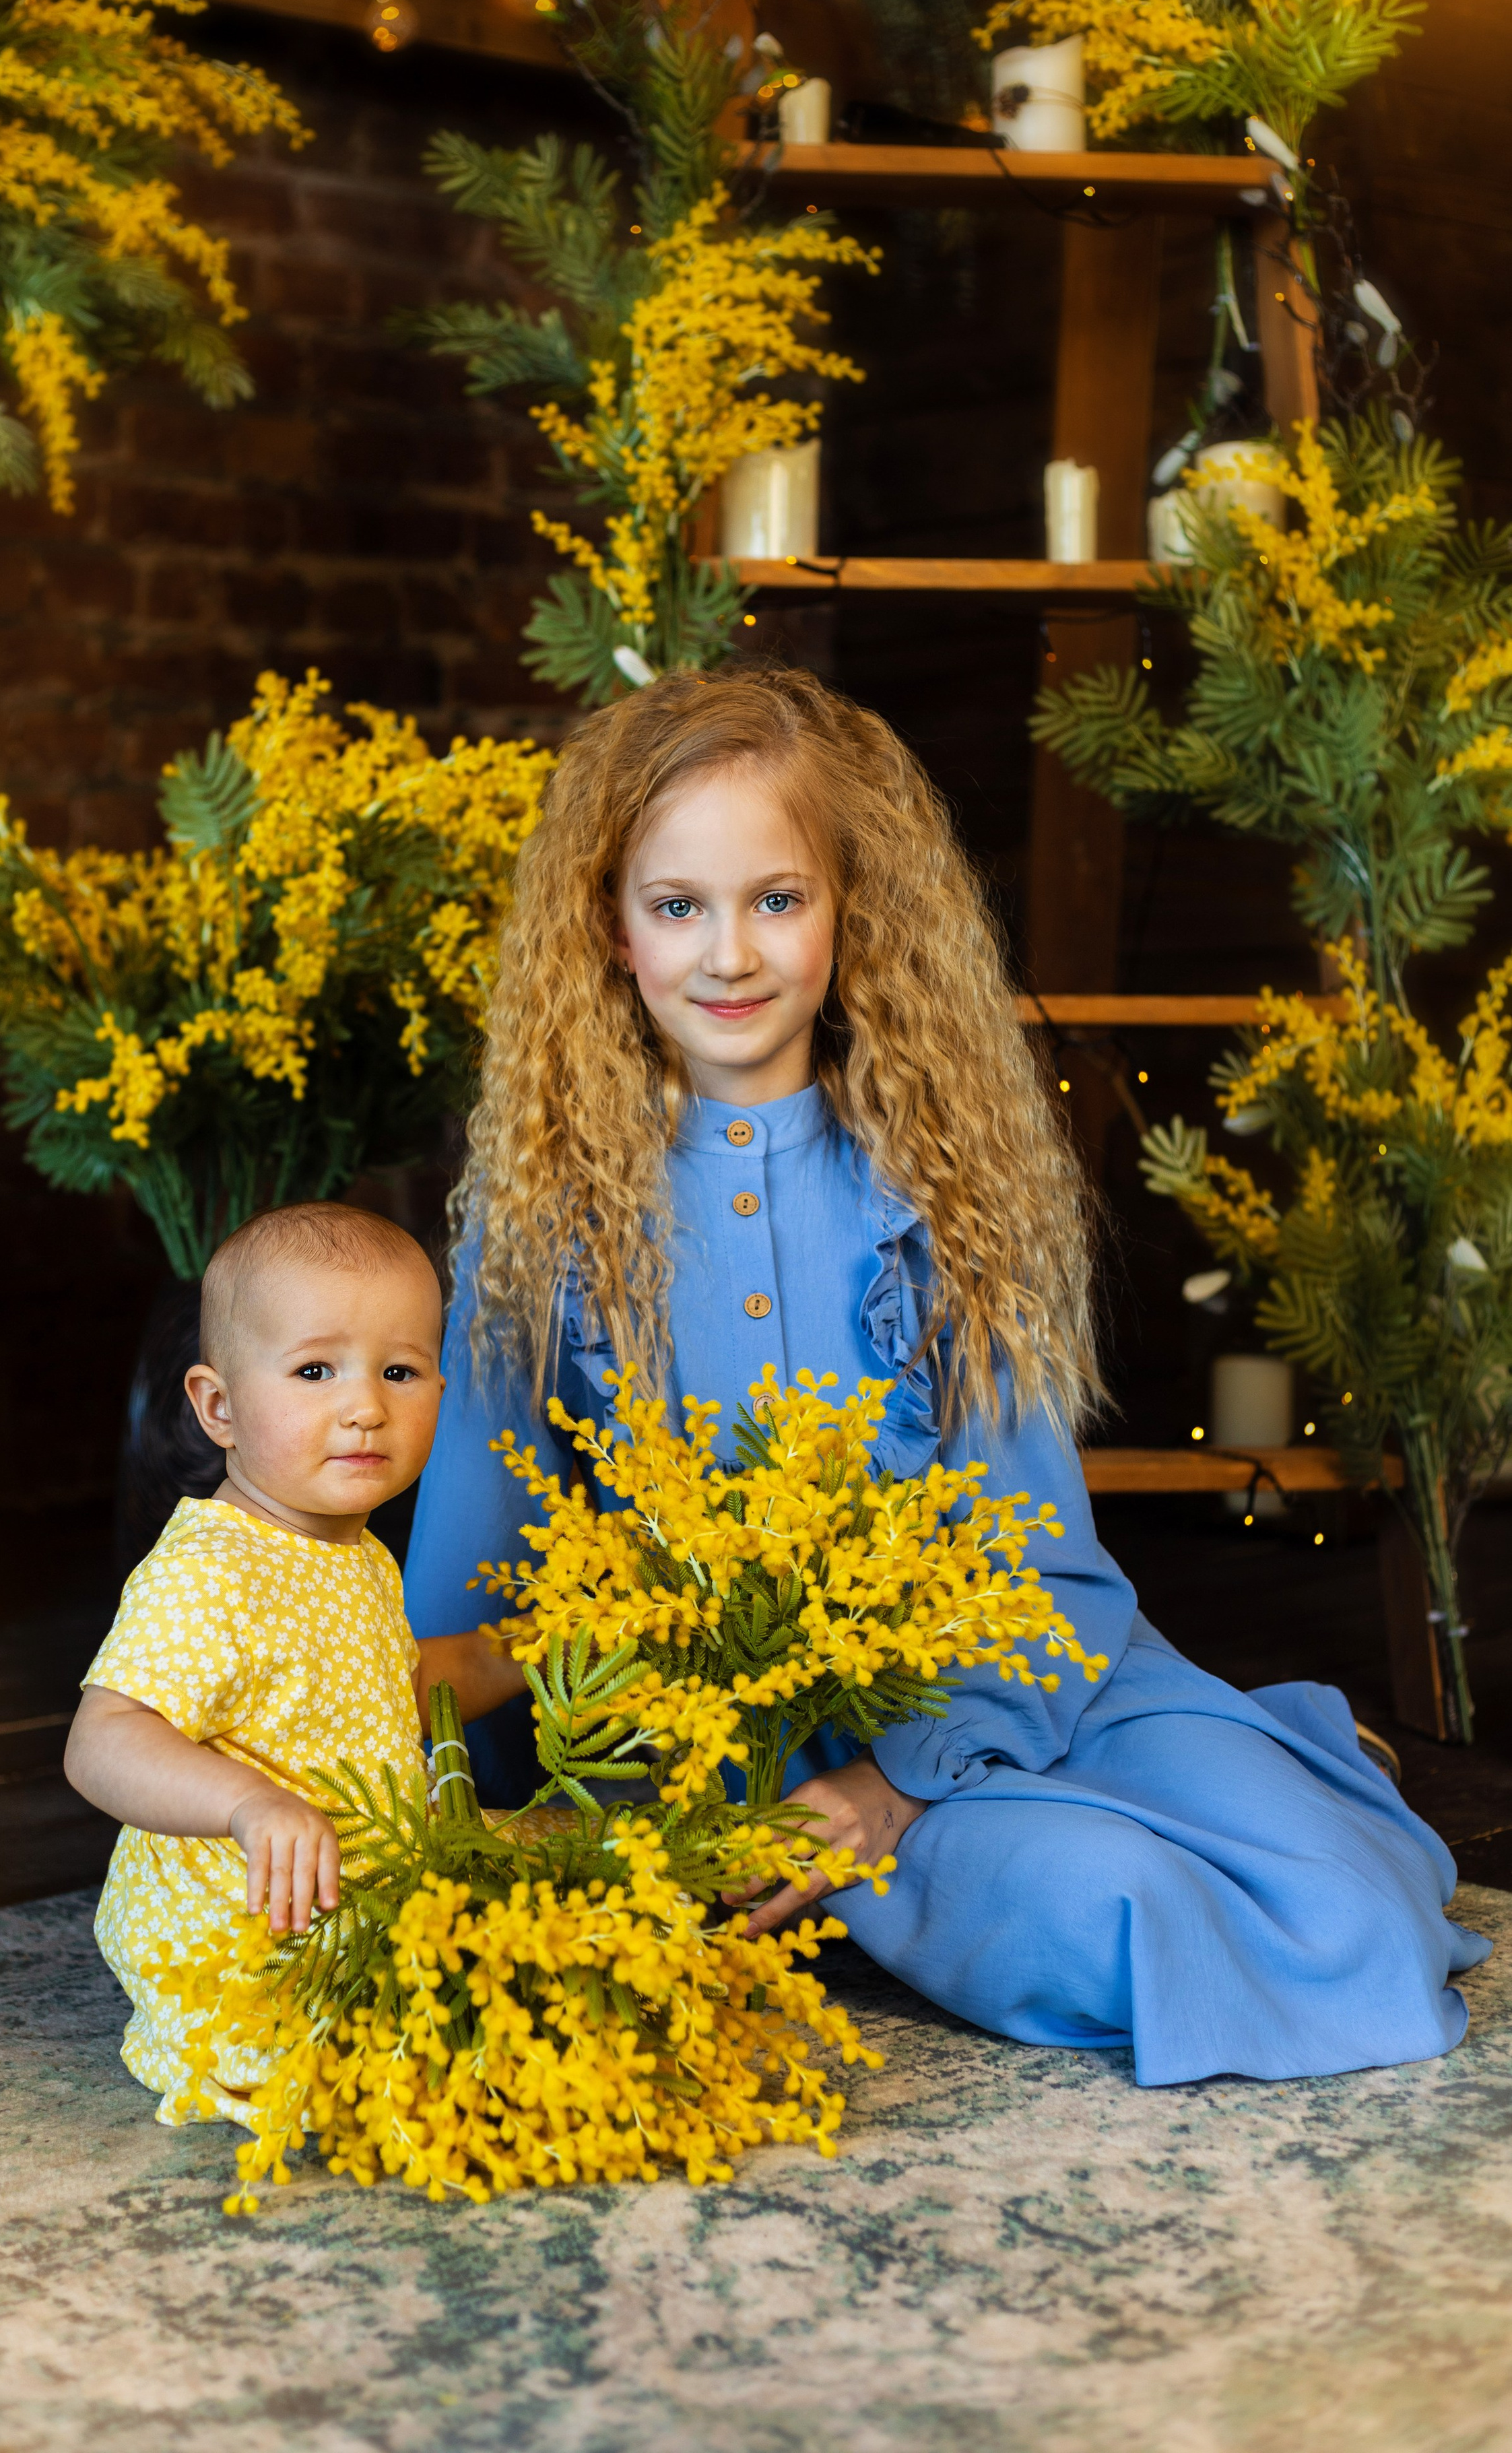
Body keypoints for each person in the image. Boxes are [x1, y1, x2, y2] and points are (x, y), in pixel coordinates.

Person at [403, 666, 1490, 2087]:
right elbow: (481, 1548)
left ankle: (1265, 1765)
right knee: (1120, 1905)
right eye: (678, 907)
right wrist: (438, 1792)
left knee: (1354, 1904)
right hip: (716, 1739)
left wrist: (892, 1784)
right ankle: (957, 1874)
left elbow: (1033, 1545)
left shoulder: (949, 1181)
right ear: (609, 929)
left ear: (853, 912)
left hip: (1004, 1683)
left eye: (775, 901)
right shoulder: (543, 1206)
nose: (727, 954)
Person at [65, 1200, 521, 2123]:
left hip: (359, 1887)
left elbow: (388, 1689)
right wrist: (248, 1805)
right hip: (244, 1938)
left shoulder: (353, 1553)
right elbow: (103, 1741)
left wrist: (526, 1653)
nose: (364, 1407)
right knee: (437, 2048)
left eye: (400, 1371)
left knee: (547, 1879)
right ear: (218, 1406)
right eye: (315, 1371)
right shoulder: (212, 1568)